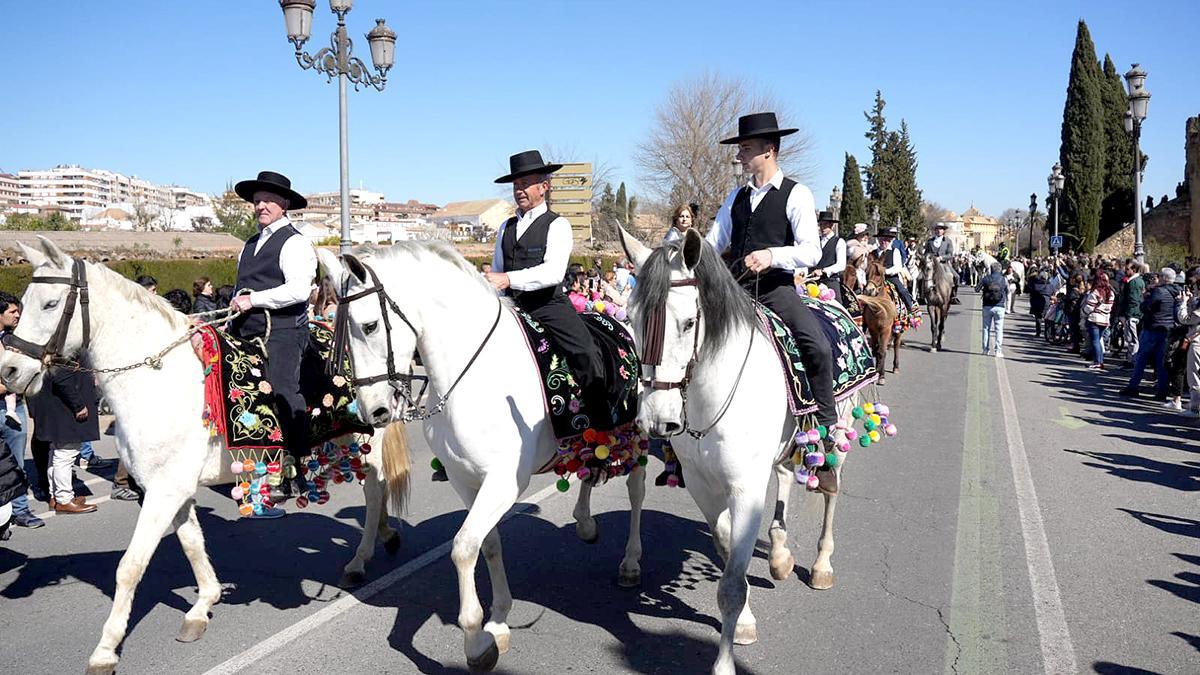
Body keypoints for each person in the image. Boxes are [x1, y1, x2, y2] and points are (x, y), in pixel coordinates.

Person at [705, 112, 842, 478]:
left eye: (745, 148)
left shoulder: (796, 193)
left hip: (775, 289)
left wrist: (772, 256)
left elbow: (811, 250)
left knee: (816, 344)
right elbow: (713, 242)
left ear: (769, 149)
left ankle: (825, 428)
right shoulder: (735, 196)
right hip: (733, 289)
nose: (739, 155)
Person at [228, 171, 318, 518]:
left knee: (282, 392)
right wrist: (238, 302)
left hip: (282, 331)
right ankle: (251, 469)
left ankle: (298, 461)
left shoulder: (295, 242)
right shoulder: (249, 244)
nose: (260, 205)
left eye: (268, 199)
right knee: (243, 397)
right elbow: (242, 288)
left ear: (283, 204)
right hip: (246, 330)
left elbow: (298, 290)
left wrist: (254, 300)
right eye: (257, 199)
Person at [487, 151, 603, 394]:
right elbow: (497, 270)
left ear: (544, 187)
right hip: (510, 306)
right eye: (516, 184)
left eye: (526, 183)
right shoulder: (505, 227)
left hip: (548, 305)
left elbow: (553, 272)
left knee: (586, 352)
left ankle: (601, 419)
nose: (519, 189)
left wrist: (509, 278)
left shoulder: (558, 225)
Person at [29, 365, 101, 514]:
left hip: (53, 405)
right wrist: (78, 405)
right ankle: (64, 500)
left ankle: (56, 496)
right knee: (65, 454)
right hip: (65, 408)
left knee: (56, 453)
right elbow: (62, 376)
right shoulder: (60, 349)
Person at [0, 293, 41, 528]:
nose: (18, 316)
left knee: (16, 462)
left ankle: (20, 509)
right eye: (12, 312)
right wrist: (10, 384)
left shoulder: (15, 340)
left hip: (15, 408)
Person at [1120, 268, 1180, 399]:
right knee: (1161, 361)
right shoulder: (1177, 292)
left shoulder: (1159, 291)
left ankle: (1133, 386)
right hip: (1167, 329)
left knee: (1141, 358)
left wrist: (1144, 298)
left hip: (1153, 327)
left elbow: (1145, 307)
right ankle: (1162, 391)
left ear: (1164, 278)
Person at [1176, 270, 1200, 417]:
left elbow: (1185, 318)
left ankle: (1195, 408)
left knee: (1194, 376)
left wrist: (1183, 303)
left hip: (1197, 342)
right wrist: (1191, 301)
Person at [812, 210, 847, 305]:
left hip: (830, 281)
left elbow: (841, 265)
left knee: (837, 308)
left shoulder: (839, 242)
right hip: (813, 282)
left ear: (832, 225)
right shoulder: (815, 241)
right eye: (821, 224)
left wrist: (824, 271)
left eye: (825, 224)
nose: (822, 227)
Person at [877, 228, 915, 313]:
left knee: (902, 290)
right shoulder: (874, 252)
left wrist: (886, 271)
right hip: (876, 278)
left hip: (890, 277)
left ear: (889, 240)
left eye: (886, 239)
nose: (884, 241)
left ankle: (910, 309)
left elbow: (897, 267)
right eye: (881, 239)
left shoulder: (895, 251)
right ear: (878, 239)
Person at [1082, 271, 1115, 370]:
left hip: (1095, 319)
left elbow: (1089, 307)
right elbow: (1109, 306)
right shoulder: (1111, 293)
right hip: (1105, 319)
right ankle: (1100, 361)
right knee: (1099, 340)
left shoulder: (1095, 292)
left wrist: (1084, 311)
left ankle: (1097, 362)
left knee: (1095, 341)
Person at [979, 262, 1008, 357]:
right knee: (999, 330)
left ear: (991, 269)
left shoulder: (986, 278)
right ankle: (998, 351)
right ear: (1000, 269)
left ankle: (985, 350)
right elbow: (1007, 291)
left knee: (986, 328)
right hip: (999, 306)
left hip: (987, 306)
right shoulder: (1004, 279)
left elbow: (976, 289)